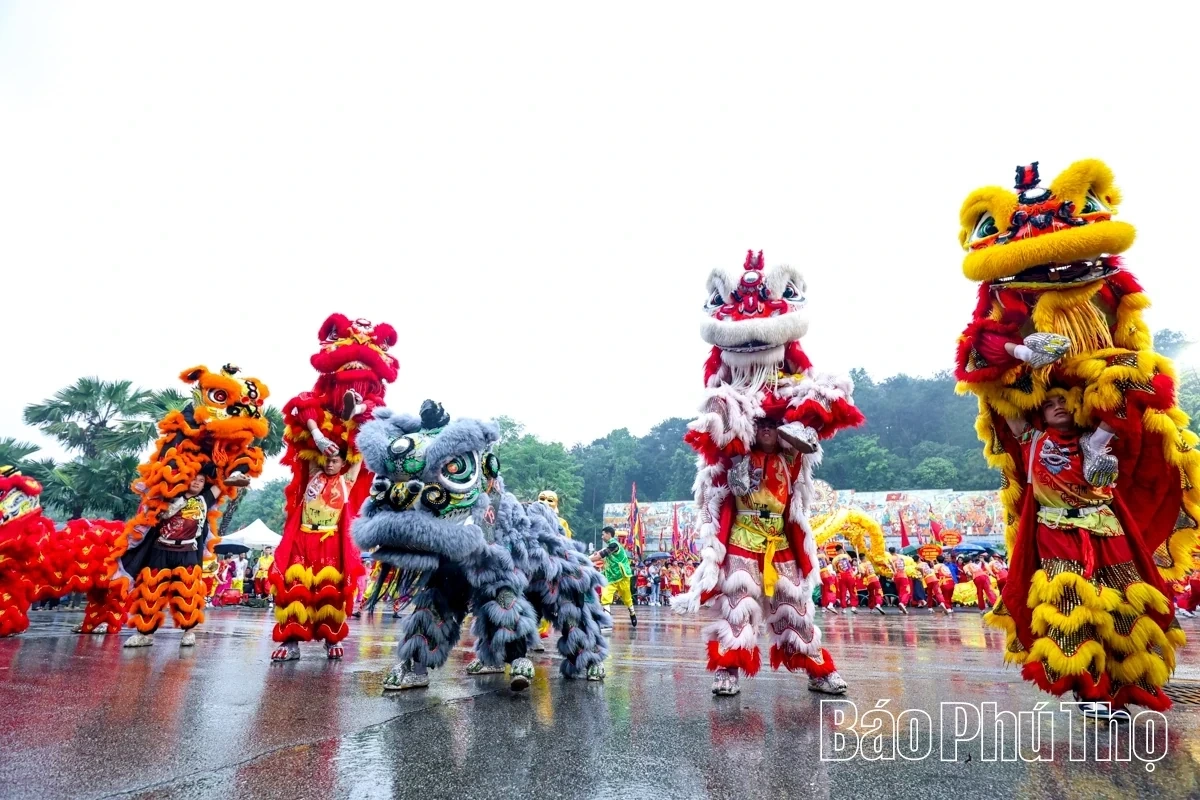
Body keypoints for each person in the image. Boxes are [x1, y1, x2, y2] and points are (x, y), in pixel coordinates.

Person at [988, 393, 1182, 718]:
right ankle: (1088, 689)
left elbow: (1121, 403)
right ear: (1040, 414)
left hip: (1107, 531)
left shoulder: (1096, 439)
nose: (1058, 406)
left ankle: (1120, 690)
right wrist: (1009, 365)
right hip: (1056, 533)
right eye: (1049, 404)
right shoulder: (1030, 440)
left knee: (1123, 605)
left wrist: (1116, 381)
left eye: (1064, 400)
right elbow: (1001, 397)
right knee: (1071, 607)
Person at [271, 447, 364, 661]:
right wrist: (319, 434)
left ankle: (332, 638)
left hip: (330, 541)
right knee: (295, 588)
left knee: (330, 591)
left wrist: (352, 432)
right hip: (302, 538)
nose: (330, 464)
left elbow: (359, 452)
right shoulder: (313, 474)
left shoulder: (347, 481)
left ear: (344, 463)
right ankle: (291, 642)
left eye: (335, 461)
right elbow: (310, 445)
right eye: (327, 460)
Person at [123, 467, 221, 648]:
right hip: (160, 549)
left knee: (188, 594)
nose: (197, 482)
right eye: (194, 478)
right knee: (151, 592)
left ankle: (189, 632)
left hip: (188, 551)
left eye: (201, 480)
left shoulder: (204, 499)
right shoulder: (168, 496)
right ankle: (144, 633)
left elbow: (224, 482)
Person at [593, 526, 636, 629]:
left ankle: (632, 613)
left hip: (622, 576)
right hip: (610, 578)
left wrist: (586, 559)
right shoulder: (608, 547)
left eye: (603, 534)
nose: (602, 537)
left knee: (627, 598)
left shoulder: (614, 545)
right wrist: (585, 559)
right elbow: (597, 555)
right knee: (605, 598)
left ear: (608, 534)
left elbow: (599, 556)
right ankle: (607, 622)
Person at [831, 544, 857, 613]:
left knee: (843, 592)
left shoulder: (834, 560)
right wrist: (845, 551)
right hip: (850, 576)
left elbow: (835, 570)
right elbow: (851, 561)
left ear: (836, 551)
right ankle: (853, 607)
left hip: (841, 577)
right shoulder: (846, 556)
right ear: (842, 550)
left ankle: (844, 609)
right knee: (852, 591)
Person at [888, 547, 912, 615]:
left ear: (889, 552)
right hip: (903, 576)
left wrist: (894, 573)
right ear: (895, 551)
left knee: (900, 592)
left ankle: (901, 608)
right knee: (906, 591)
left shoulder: (890, 558)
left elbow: (890, 566)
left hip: (896, 577)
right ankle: (902, 603)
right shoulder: (900, 558)